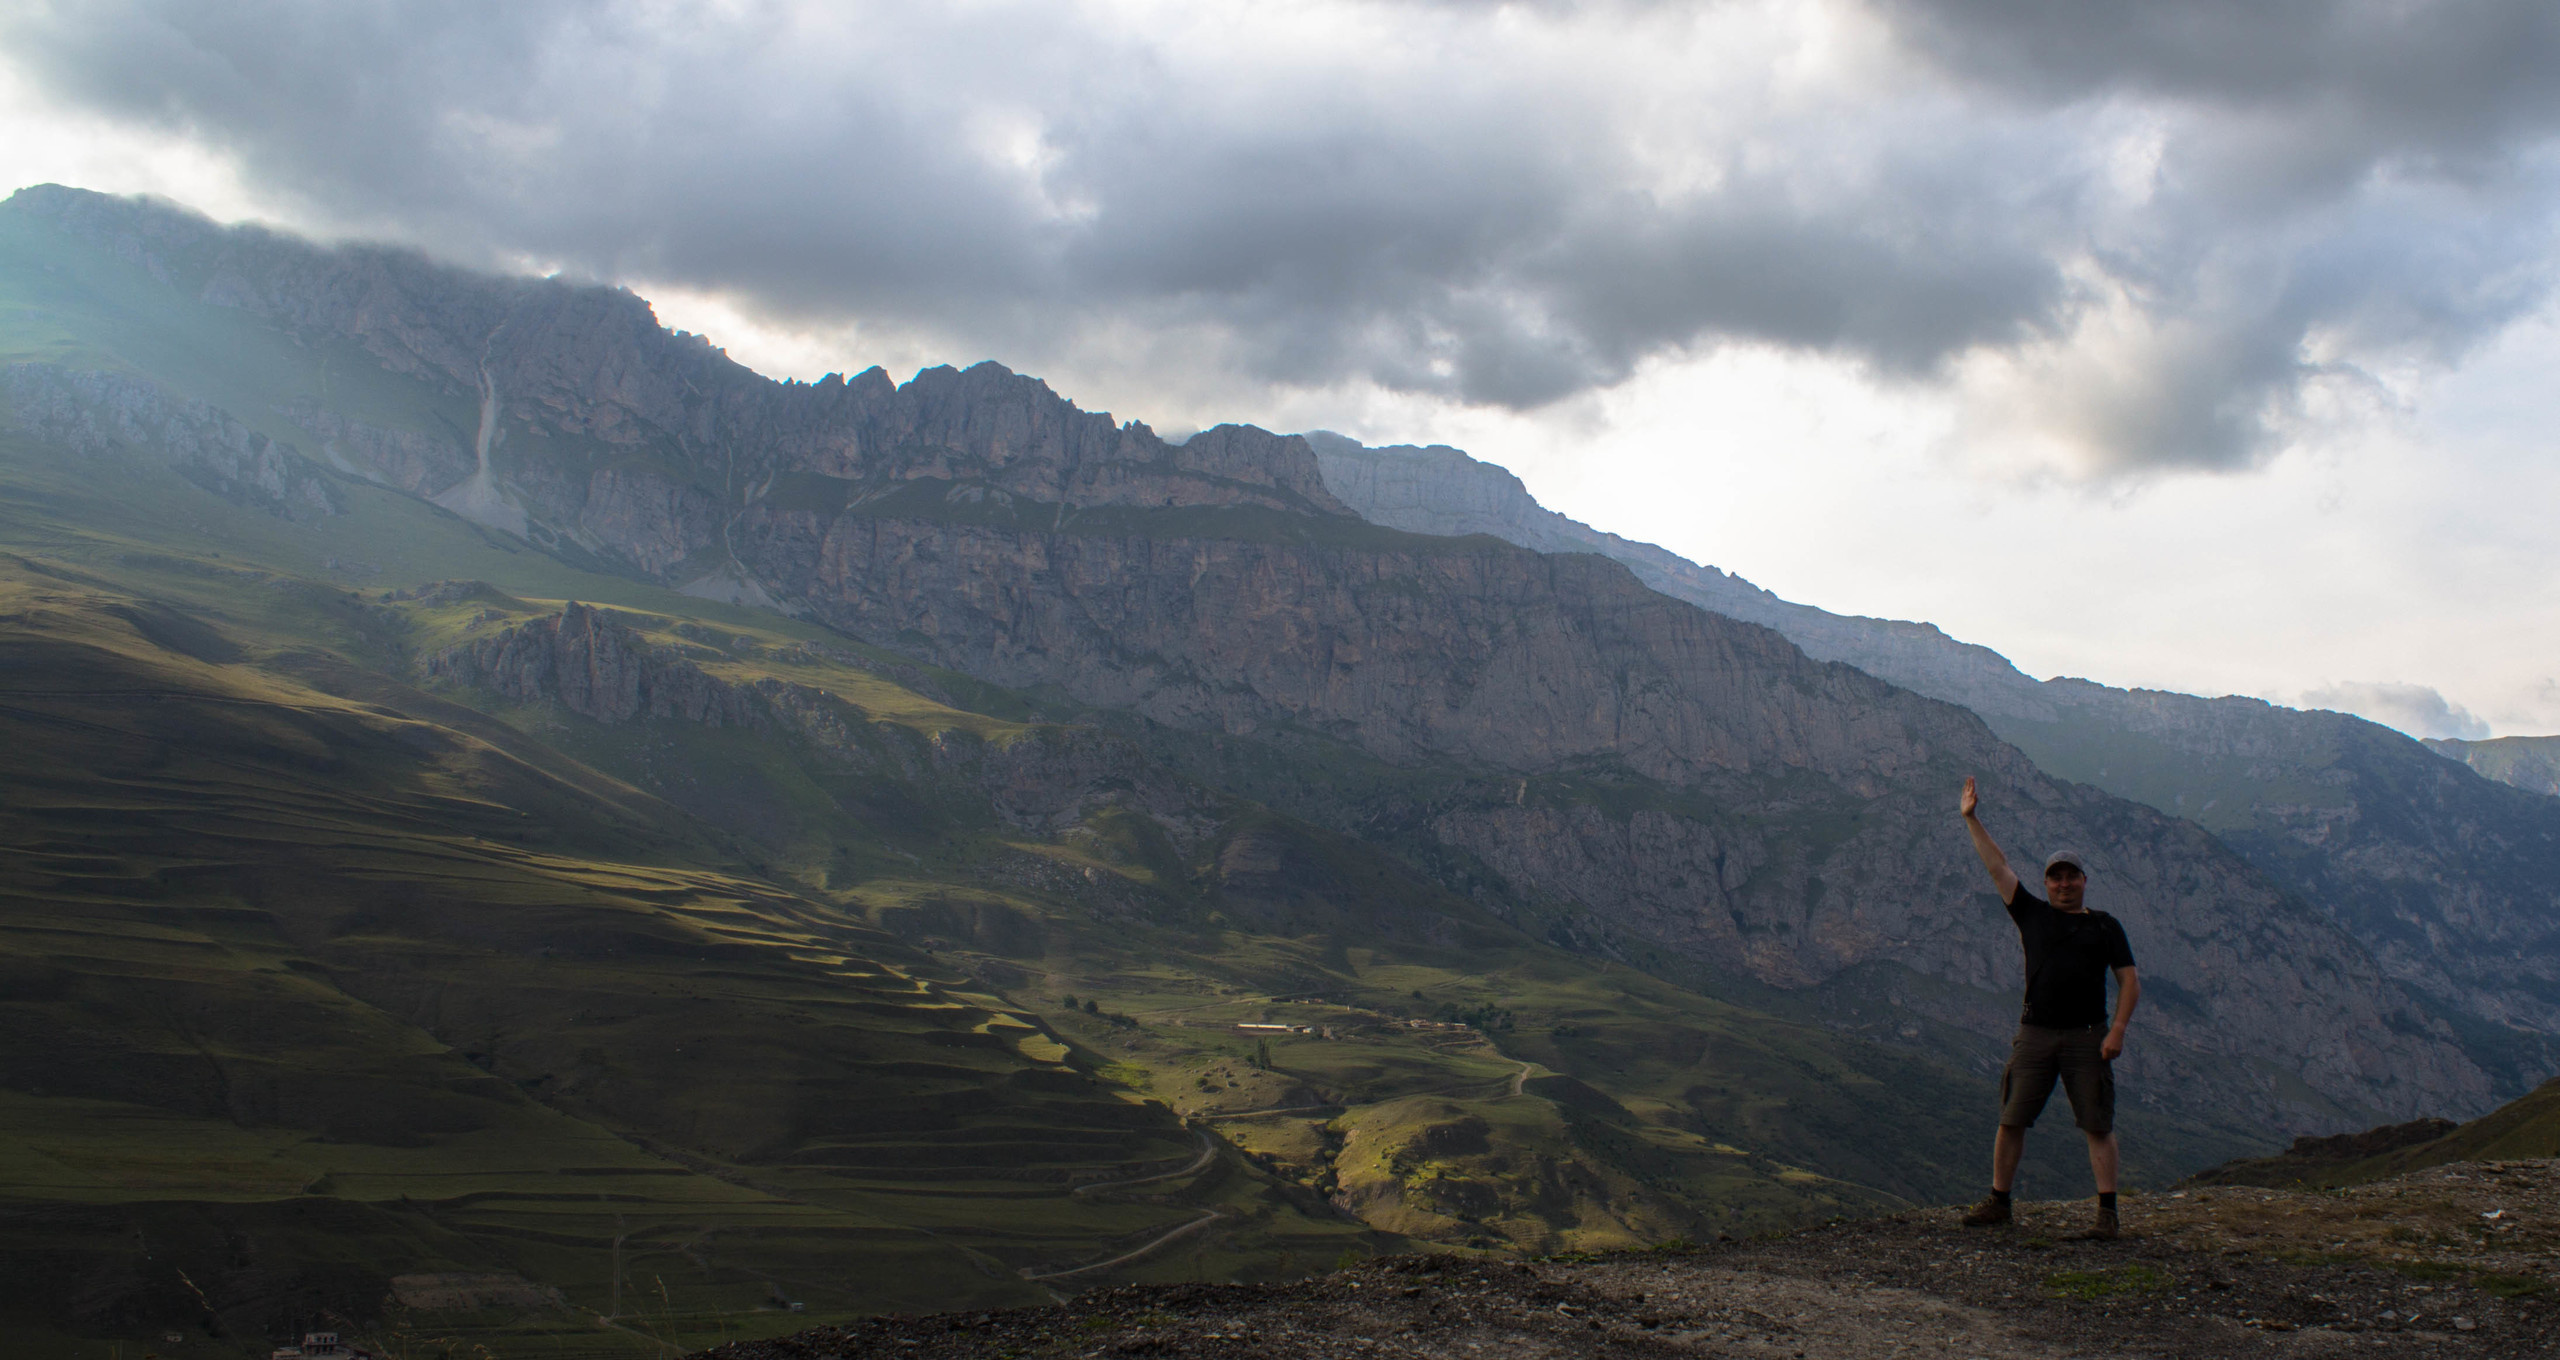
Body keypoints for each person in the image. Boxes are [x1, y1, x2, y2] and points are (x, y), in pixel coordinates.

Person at [1956, 775, 2140, 1239]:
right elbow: (1996, 867)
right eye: (2055, 877)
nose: (2063, 884)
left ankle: (2107, 1216)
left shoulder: (2104, 926)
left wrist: (2117, 1030)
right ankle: (2000, 1202)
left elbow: (2129, 981)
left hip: (2087, 1036)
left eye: (2070, 876)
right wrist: (1971, 819)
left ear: (2083, 881)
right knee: (2012, 1117)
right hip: (2035, 1032)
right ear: (2046, 882)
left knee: (2097, 1123)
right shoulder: (2031, 913)